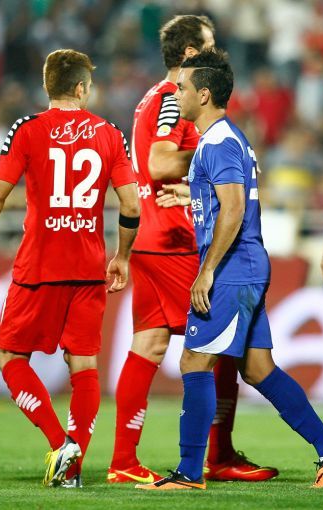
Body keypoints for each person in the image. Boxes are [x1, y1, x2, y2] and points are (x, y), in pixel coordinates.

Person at [136, 49, 323, 491]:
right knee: (257, 368)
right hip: (247, 266)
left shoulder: (217, 141)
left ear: (203, 94)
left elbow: (234, 208)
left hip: (232, 270)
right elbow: (230, 198)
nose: (174, 94)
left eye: (181, 87)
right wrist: (192, 197)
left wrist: (207, 271)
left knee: (194, 360)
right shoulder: (225, 138)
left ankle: (189, 471)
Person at [0, 49, 140, 488]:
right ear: (81, 88)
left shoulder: (27, 129)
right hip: (88, 268)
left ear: (47, 85)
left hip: (38, 266)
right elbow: (131, 205)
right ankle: (73, 463)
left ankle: (59, 444)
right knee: (84, 365)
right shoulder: (110, 134)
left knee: (9, 356)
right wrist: (122, 256)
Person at [107, 14, 276, 485]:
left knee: (149, 343)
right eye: (210, 44)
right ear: (189, 55)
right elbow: (160, 161)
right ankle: (217, 455)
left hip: (153, 237)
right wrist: (214, 155)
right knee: (222, 344)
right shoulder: (170, 99)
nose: (217, 51)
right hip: (173, 241)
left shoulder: (153, 97)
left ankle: (123, 460)